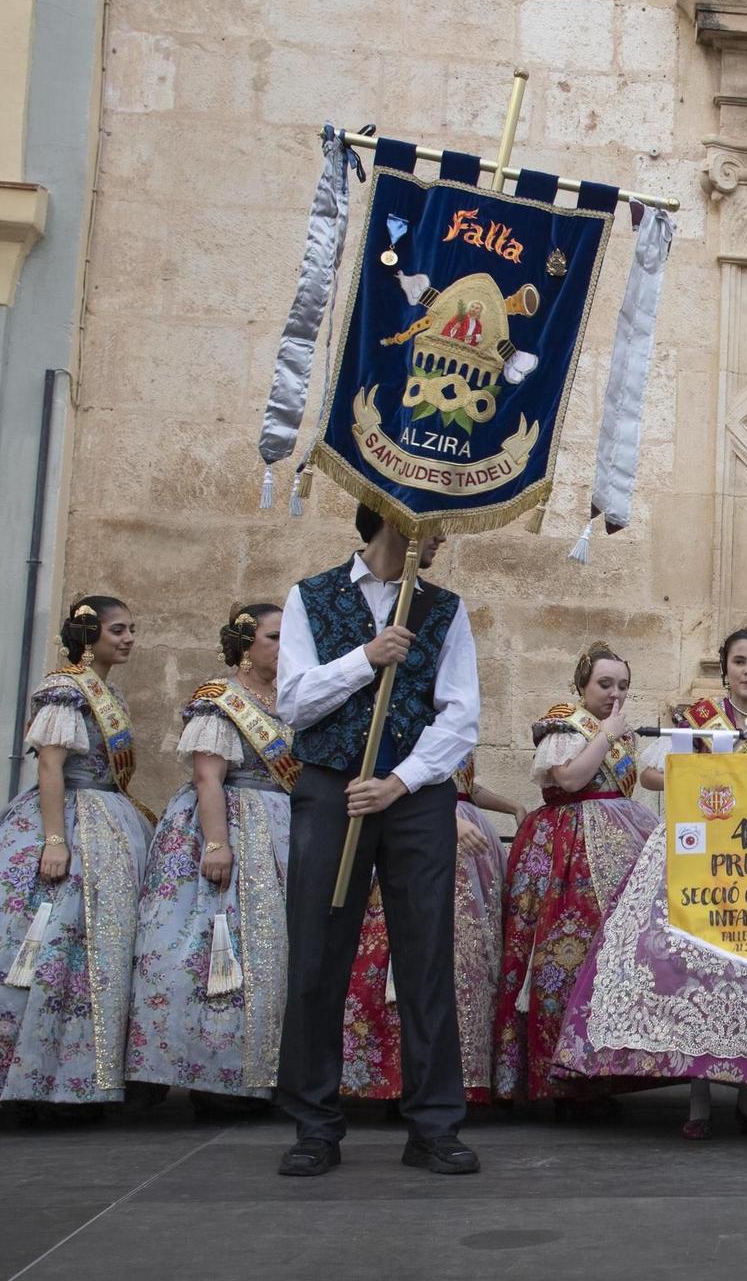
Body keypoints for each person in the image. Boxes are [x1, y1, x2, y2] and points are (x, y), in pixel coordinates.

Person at [553, 628, 747, 1138]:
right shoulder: (696, 719)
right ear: (725, 668)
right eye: (739, 661)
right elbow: (651, 775)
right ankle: (699, 1099)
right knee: (699, 969)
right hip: (700, 854)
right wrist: (707, 773)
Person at [273, 503, 479, 1176]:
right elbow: (293, 702)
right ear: (397, 520)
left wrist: (398, 782)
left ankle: (434, 1124)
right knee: (317, 952)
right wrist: (367, 657)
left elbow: (460, 715)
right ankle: (314, 1123)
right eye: (434, 523)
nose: (442, 535)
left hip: (413, 795)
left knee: (425, 954)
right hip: (332, 787)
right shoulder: (310, 597)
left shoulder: (445, 609)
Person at [0, 597, 154, 1114]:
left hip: (109, 822)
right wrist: (54, 839)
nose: (128, 638)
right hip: (66, 820)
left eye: (131, 629)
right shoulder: (63, 691)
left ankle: (76, 1074)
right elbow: (50, 766)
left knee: (95, 948)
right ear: (89, 635)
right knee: (43, 941)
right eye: (118, 630)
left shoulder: (107, 692)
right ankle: (27, 1076)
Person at [128, 604, 297, 1115]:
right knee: (207, 948)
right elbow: (208, 777)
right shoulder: (219, 700)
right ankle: (207, 1072)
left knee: (273, 951)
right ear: (246, 644)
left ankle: (264, 1070)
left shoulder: (290, 697)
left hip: (283, 829)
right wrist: (217, 844)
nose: (284, 646)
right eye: (274, 637)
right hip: (228, 824)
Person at [494, 642, 663, 1116]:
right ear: (582, 685)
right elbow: (569, 780)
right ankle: (560, 1081)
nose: (614, 694)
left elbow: (631, 783)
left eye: (622, 686)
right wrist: (605, 735)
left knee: (613, 960)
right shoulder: (564, 724)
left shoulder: (619, 731)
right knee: (562, 959)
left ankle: (601, 1077)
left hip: (620, 841)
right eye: (604, 684)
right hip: (566, 851)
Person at [338, 750, 506, 1109]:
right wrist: (450, 820)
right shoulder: (406, 731)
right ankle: (397, 1079)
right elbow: (395, 781)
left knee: (467, 958)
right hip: (424, 831)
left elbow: (466, 784)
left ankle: (458, 1076)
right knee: (411, 948)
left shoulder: (453, 732)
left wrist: (511, 807)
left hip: (464, 839)